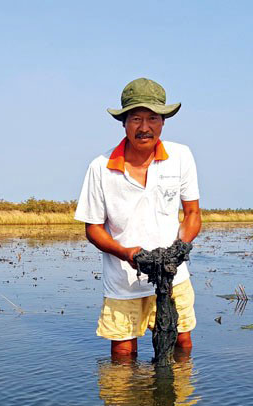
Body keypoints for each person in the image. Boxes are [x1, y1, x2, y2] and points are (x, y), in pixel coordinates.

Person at [74, 78, 202, 362]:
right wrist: (125, 253)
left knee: (182, 342)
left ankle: (176, 401)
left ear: (163, 121)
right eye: (136, 119)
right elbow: (93, 228)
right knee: (122, 353)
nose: (144, 127)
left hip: (173, 274)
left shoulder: (181, 157)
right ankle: (125, 403)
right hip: (123, 279)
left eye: (152, 118)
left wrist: (181, 246)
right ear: (124, 123)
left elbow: (193, 214)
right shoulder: (100, 167)